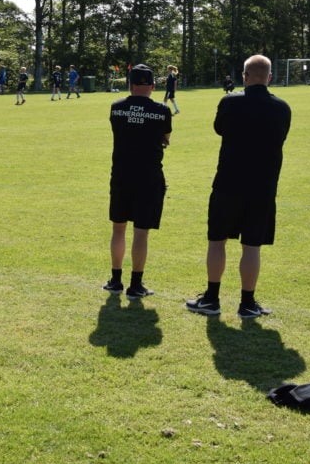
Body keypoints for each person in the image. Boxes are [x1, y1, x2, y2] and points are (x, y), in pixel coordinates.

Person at [186, 54, 291, 319]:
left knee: (217, 241)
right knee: (252, 246)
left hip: (228, 183)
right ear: (269, 78)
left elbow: (219, 129)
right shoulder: (282, 108)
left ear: (244, 77)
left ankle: (211, 299)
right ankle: (247, 303)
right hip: (262, 187)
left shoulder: (229, 102)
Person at [103, 64, 172, 299]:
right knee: (141, 233)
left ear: (130, 85)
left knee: (118, 229)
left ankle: (115, 280)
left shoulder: (116, 107)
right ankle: (136, 285)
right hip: (149, 177)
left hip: (121, 175)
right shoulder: (162, 110)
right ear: (152, 86)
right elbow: (166, 138)